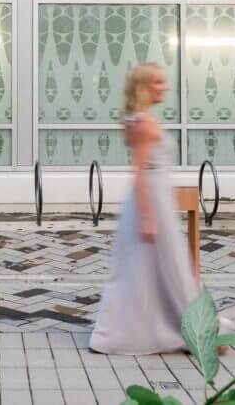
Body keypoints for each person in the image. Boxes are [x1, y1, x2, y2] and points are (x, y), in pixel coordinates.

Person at [89, 62, 220, 354]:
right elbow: (139, 171)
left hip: (156, 200)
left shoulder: (141, 119)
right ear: (145, 86)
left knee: (160, 268)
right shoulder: (144, 124)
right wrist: (148, 217)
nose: (165, 87)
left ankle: (184, 325)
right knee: (164, 267)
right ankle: (193, 330)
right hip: (151, 202)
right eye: (158, 82)